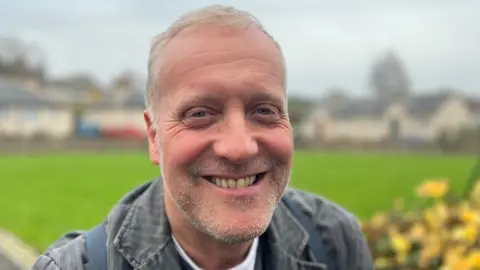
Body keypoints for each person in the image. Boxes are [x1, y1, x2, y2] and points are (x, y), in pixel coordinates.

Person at [32, 5, 373, 270]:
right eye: (199, 114)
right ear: (154, 137)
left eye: (264, 111)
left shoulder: (335, 240)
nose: (239, 147)